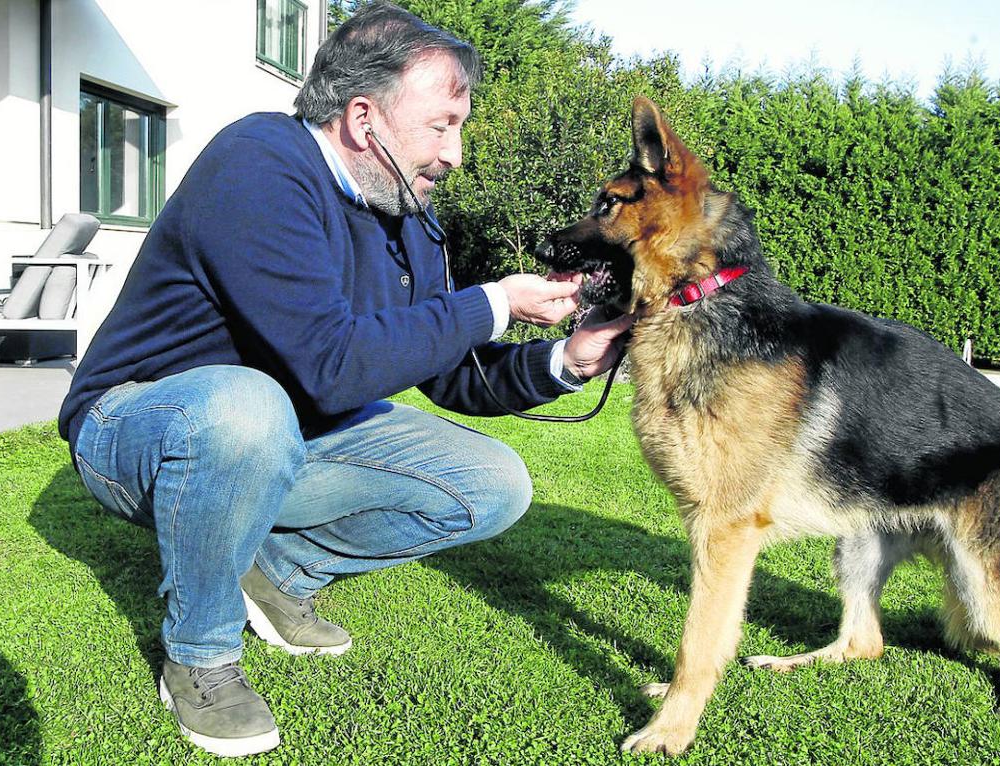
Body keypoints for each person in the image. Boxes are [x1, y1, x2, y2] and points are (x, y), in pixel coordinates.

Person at [57, 1, 632, 757]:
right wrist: (492, 302)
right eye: (442, 126)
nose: (455, 153)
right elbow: (333, 365)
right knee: (246, 407)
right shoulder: (258, 163)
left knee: (495, 482)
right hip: (136, 426)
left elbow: (449, 372)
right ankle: (200, 657)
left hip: (276, 427)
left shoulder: (406, 214)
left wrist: (566, 361)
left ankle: (278, 569)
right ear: (365, 119)